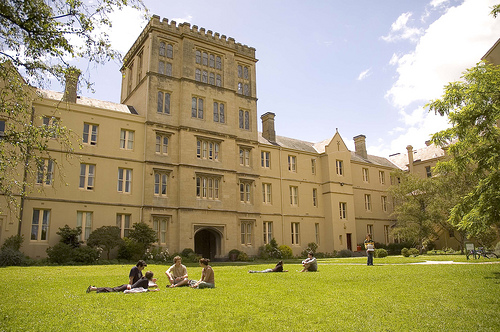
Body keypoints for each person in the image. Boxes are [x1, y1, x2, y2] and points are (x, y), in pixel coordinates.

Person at [87, 271, 159, 293]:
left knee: (111, 289)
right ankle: (93, 288)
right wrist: (154, 290)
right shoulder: (145, 280)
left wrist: (152, 282)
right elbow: (145, 290)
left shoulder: (144, 278)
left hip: (126, 286)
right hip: (127, 288)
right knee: (111, 290)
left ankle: (94, 288)